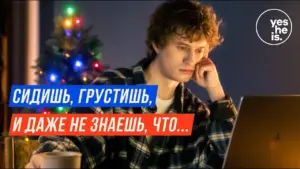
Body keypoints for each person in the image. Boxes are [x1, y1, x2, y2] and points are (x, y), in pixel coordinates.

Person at [26, 0, 237, 168]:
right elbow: (71, 139)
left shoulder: (196, 113)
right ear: (157, 44)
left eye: (199, 50)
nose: (191, 59)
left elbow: (231, 158)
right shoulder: (112, 87)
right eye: (182, 47)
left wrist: (217, 94)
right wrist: (48, 156)